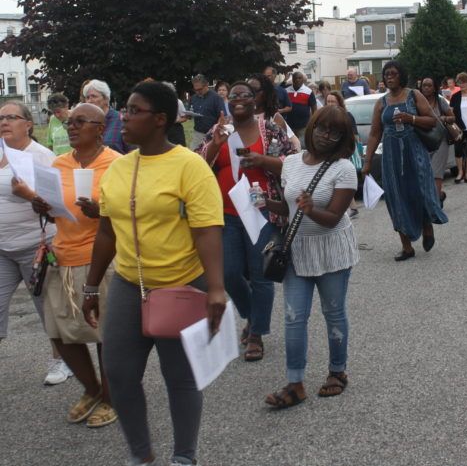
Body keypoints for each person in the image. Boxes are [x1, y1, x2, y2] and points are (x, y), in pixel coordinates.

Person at [82, 82, 226, 466]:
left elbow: (207, 229)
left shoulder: (190, 166)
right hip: (131, 284)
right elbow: (108, 231)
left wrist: (215, 289)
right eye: (125, 109)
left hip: (181, 285)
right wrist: (91, 285)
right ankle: (141, 455)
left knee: (179, 377)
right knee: (119, 373)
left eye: (134, 110)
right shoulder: (118, 168)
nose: (124, 117)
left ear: (160, 119)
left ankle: (183, 456)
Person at [263, 106, 359, 409]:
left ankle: (337, 372)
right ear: (312, 127)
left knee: (333, 312)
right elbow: (289, 207)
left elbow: (331, 217)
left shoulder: (343, 168)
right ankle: (295, 384)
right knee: (293, 319)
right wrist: (264, 203)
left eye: (334, 132)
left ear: (343, 138)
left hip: (331, 250)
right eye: (321, 128)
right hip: (296, 250)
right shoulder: (290, 163)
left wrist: (309, 209)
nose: (325, 136)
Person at [32, 103, 120, 427]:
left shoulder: (117, 164)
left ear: (100, 127)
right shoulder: (58, 163)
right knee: (61, 334)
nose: (71, 126)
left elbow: (132, 215)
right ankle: (93, 389)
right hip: (63, 258)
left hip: (102, 261)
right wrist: (40, 205)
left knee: (105, 336)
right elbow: (53, 208)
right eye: (69, 122)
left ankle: (112, 399)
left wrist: (103, 213)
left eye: (80, 121)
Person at [199, 81, 294, 362]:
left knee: (261, 273)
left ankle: (256, 334)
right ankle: (252, 315)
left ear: (255, 101)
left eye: (245, 95)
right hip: (225, 213)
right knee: (228, 273)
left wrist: (262, 160)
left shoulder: (271, 130)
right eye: (234, 95)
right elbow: (198, 166)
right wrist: (216, 145)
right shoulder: (220, 131)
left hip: (262, 211)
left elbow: (291, 162)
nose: (238, 98)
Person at [0, 101, 72, 385]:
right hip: (2, 247)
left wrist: (28, 194)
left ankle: (62, 360)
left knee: (48, 308)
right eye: (0, 118)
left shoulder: (41, 156)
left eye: (11, 117)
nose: (4, 122)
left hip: (36, 246)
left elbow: (57, 206)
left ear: (28, 124)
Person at [363, 61, 448, 261]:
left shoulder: (414, 95)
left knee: (421, 192)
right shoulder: (381, 102)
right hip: (391, 157)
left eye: (393, 74)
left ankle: (427, 225)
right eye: (386, 74)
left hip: (415, 152)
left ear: (401, 76)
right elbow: (375, 134)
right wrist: (367, 162)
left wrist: (412, 119)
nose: (389, 77)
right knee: (396, 198)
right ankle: (406, 246)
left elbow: (432, 120)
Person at [420, 77, 455, 207]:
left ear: (434, 88)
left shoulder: (440, 102)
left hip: (441, 141)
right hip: (423, 141)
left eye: (429, 85)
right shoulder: (417, 102)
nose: (426, 88)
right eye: (424, 85)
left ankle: (434, 204)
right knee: (425, 173)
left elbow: (453, 117)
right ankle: (439, 195)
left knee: (436, 173)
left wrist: (444, 118)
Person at [325, 91, 360, 218]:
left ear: (339, 102)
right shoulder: (325, 116)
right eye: (328, 101)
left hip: (343, 153)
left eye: (332, 101)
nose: (330, 104)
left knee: (341, 181)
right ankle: (351, 207)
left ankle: (350, 208)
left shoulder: (347, 116)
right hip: (329, 152)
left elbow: (355, 136)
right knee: (335, 181)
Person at [247, 73, 301, 152]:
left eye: (255, 90)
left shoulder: (274, 118)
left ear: (265, 93)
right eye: (247, 90)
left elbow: (281, 151)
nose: (250, 94)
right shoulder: (242, 116)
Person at [84, 79, 132, 154]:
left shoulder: (122, 120)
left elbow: (134, 152)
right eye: (87, 98)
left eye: (94, 96)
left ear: (106, 99)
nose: (89, 101)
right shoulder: (84, 123)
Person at [189, 74, 226, 151]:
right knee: (194, 155)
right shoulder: (194, 98)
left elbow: (222, 116)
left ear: (207, 85)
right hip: (197, 133)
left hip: (212, 135)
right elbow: (191, 111)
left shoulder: (217, 98)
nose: (198, 92)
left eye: (200, 89)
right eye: (195, 89)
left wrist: (217, 128)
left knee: (209, 157)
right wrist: (189, 114)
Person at [286, 71, 317, 142]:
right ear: (292, 79)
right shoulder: (286, 91)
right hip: (289, 126)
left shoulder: (309, 91)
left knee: (303, 145)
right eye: (295, 78)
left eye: (299, 78)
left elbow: (314, 109)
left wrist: (311, 123)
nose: (297, 80)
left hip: (303, 127)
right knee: (291, 146)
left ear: (303, 80)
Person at [162, 82, 189, 146]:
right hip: (162, 130)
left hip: (175, 130)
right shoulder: (158, 102)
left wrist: (174, 121)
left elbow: (185, 118)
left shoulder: (178, 102)